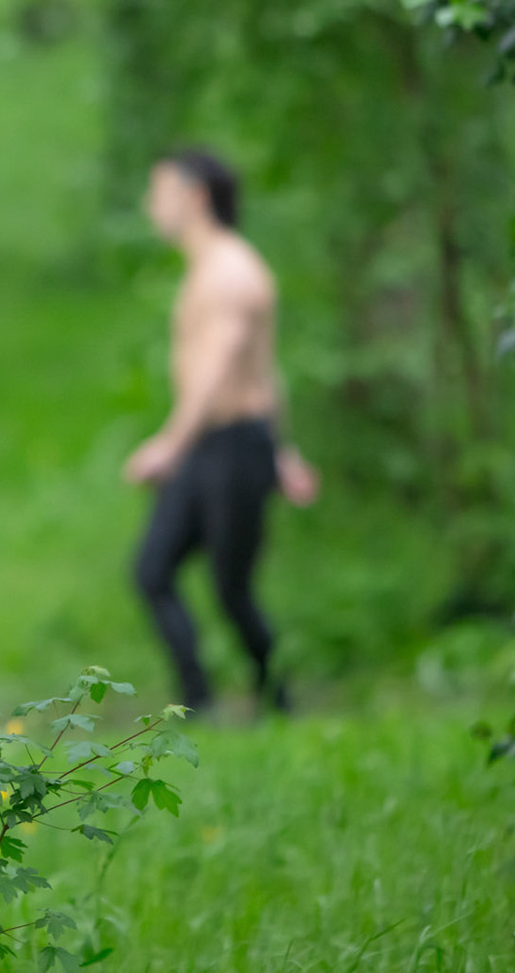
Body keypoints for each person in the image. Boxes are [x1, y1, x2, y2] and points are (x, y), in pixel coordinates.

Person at [124, 147, 318, 715]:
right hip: (213, 445)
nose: (150, 206)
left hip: (234, 445)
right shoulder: (208, 269)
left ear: (194, 196)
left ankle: (277, 700)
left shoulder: (234, 271)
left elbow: (221, 370)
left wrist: (169, 444)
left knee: (232, 589)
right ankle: (197, 702)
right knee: (152, 569)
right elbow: (264, 371)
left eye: (158, 193)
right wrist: (284, 452)